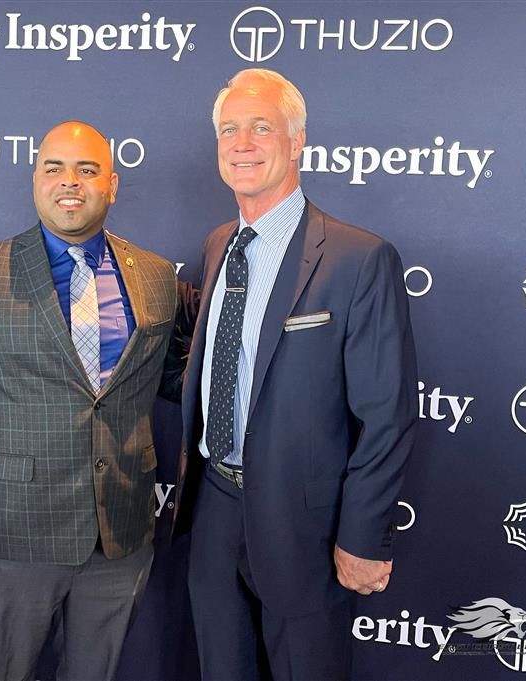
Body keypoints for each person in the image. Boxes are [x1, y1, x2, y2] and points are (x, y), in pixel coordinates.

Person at [0, 121, 180, 681]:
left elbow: (174, 380)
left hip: (120, 535)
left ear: (112, 184)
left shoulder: (155, 275)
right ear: (35, 179)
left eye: (86, 169)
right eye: (54, 168)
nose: (69, 182)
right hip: (14, 534)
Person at [173, 68, 419, 680]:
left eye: (261, 127)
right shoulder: (217, 244)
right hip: (214, 511)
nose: (242, 142)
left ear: (298, 139)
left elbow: (385, 415)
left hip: (306, 525)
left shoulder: (359, 258)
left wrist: (363, 539)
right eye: (229, 129)